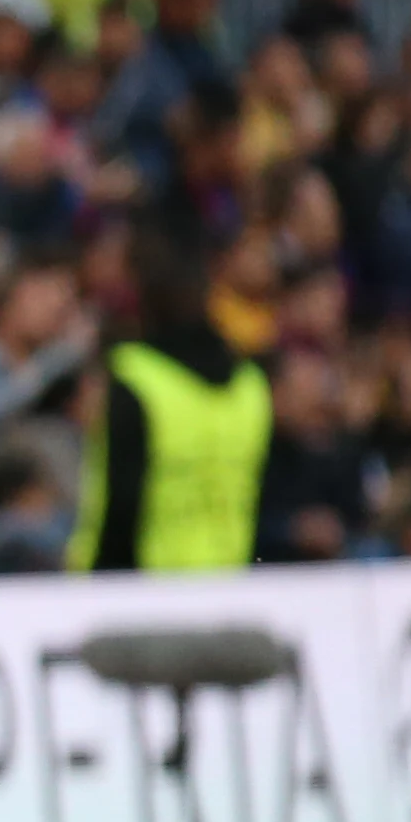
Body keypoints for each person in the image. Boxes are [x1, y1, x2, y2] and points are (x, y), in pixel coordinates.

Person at [72, 225, 269, 573]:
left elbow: (122, 506)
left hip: (147, 592)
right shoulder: (250, 385)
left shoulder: (137, 377)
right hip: (230, 584)